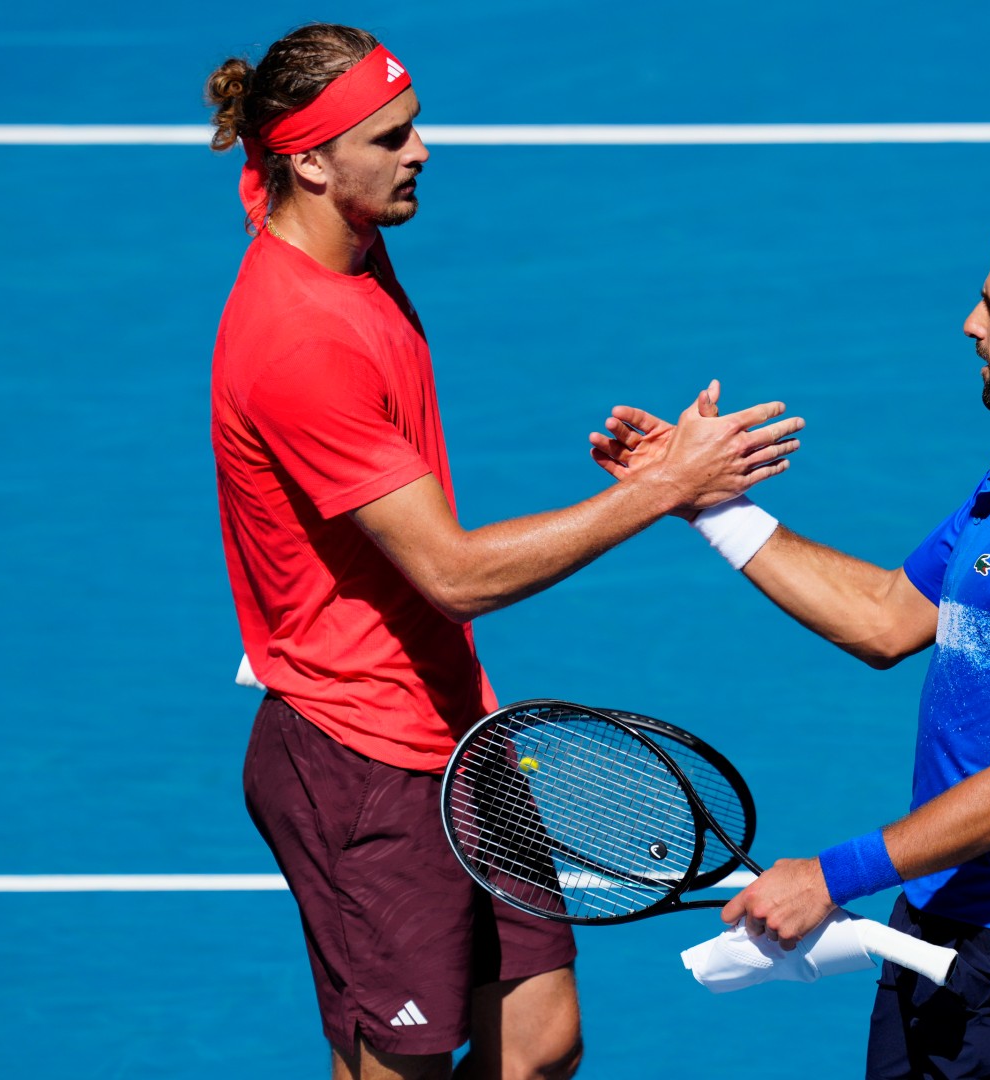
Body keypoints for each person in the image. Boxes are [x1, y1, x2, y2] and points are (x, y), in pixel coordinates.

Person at [203, 24, 802, 1080]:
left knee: (537, 1044)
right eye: (390, 138)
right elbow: (453, 572)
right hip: (360, 758)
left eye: (414, 125)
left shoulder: (337, 233)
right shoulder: (300, 341)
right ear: (308, 161)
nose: (420, 150)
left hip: (451, 723)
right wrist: (668, 488)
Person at [592, 204, 990, 1080]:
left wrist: (830, 875)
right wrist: (703, 502)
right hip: (942, 917)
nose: (971, 324)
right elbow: (888, 616)